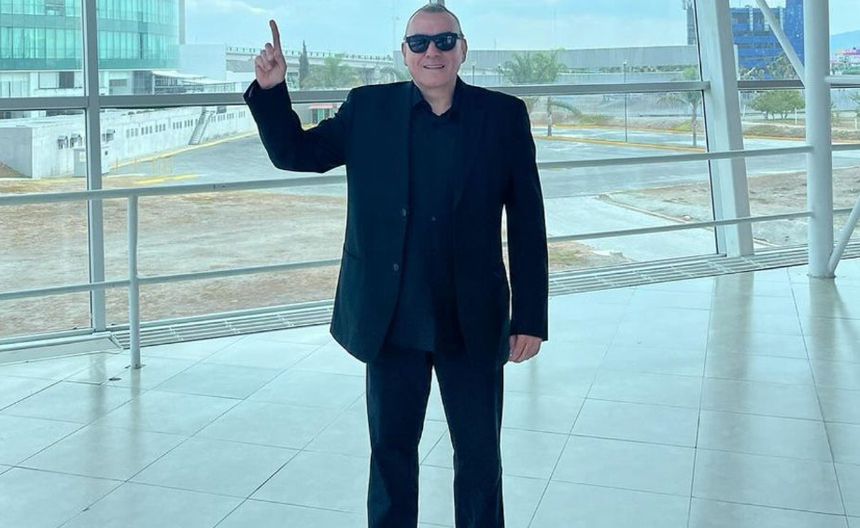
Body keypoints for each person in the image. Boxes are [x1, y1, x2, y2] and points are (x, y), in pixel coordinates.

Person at [244, 4, 548, 527]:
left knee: (480, 457)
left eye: (445, 41)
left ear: (462, 49)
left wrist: (530, 317)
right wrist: (272, 91)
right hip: (391, 319)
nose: (433, 52)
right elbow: (296, 153)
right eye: (420, 43)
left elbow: (527, 220)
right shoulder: (369, 109)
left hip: (472, 319)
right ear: (405, 54)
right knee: (391, 454)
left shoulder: (502, 116)